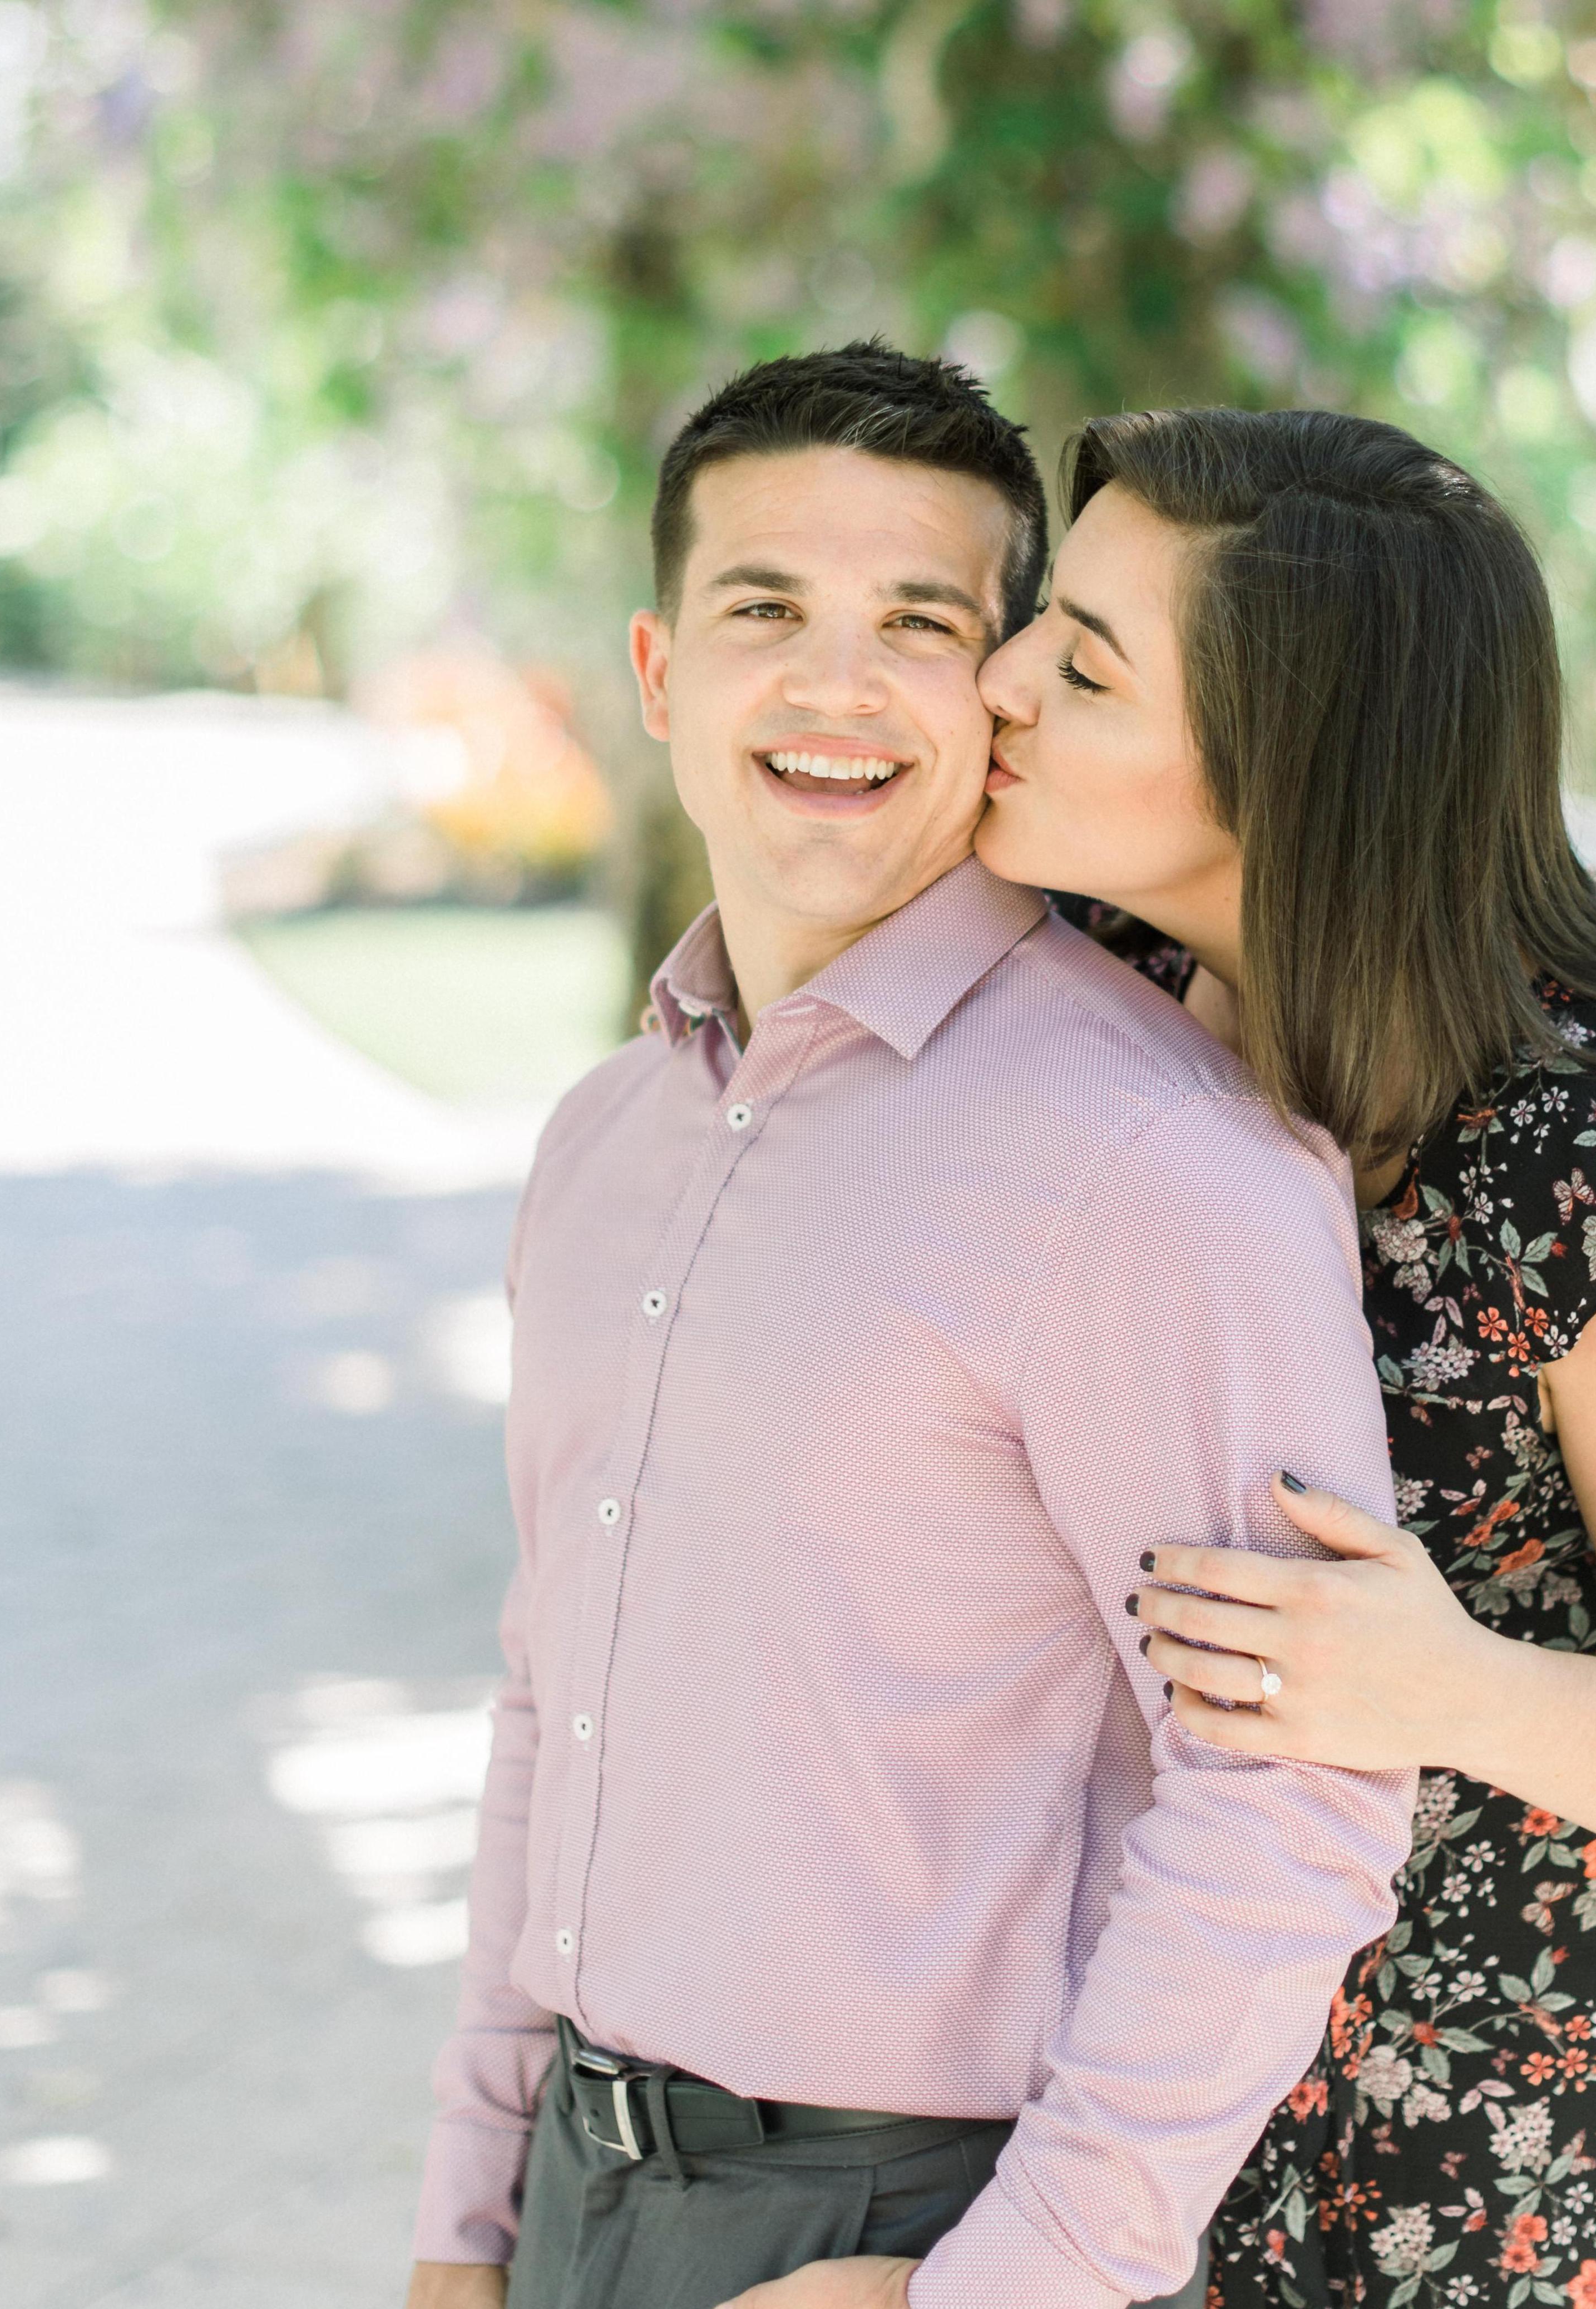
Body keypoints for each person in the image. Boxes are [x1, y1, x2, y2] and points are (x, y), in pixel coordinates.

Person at [403, 349, 1419, 2309]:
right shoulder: (603, 1144)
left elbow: (1290, 1803)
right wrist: (469, 2215)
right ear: (657, 673)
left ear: (1001, 690)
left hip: (909, 2226)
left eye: (920, 627)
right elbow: (557, 1690)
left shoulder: (1149, 1166)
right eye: (765, 610)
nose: (836, 688)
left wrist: (1007, 2289)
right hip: (571, 2196)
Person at [974, 407, 1596, 2308]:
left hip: (1495, 2219)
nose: (996, 687)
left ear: (1290, 763)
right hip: (1101, 2168)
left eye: (1075, 665)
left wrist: (1447, 1686)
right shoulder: (1089, 1003)